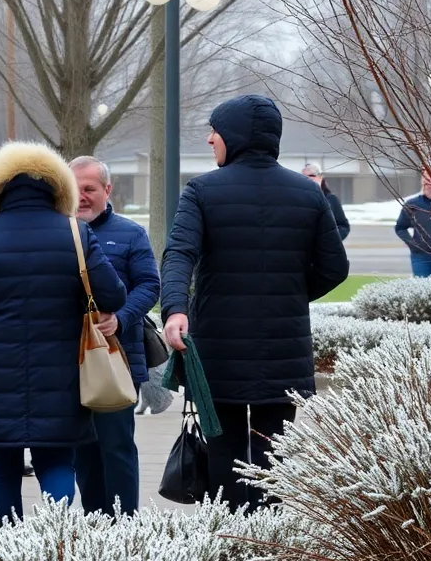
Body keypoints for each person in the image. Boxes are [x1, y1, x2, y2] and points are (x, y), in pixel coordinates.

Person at [161, 95, 349, 513]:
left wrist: (176, 308)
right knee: (271, 458)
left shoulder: (201, 190)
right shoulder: (309, 193)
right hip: (285, 347)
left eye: (215, 130)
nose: (210, 139)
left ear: (234, 136)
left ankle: (230, 551)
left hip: (218, 348)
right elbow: (335, 268)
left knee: (224, 454)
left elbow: (179, 254)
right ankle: (269, 552)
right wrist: (288, 295)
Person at [0, 142, 126, 523]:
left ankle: (9, 555)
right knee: (57, 459)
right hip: (60, 372)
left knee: (2, 466)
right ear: (60, 189)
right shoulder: (76, 234)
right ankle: (56, 547)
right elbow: (112, 294)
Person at [69, 157, 159, 518]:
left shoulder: (130, 233)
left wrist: (120, 318)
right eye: (74, 189)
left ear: (107, 190)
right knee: (83, 450)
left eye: (89, 189)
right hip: (72, 363)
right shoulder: (60, 232)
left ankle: (125, 526)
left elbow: (149, 285)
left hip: (117, 360)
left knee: (117, 446)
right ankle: (95, 523)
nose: (81, 197)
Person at [302, 163, 350, 240]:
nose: (308, 179)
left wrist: (331, 240)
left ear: (320, 177)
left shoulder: (331, 199)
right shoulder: (296, 200)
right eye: (304, 177)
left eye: (312, 175)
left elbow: (343, 226)